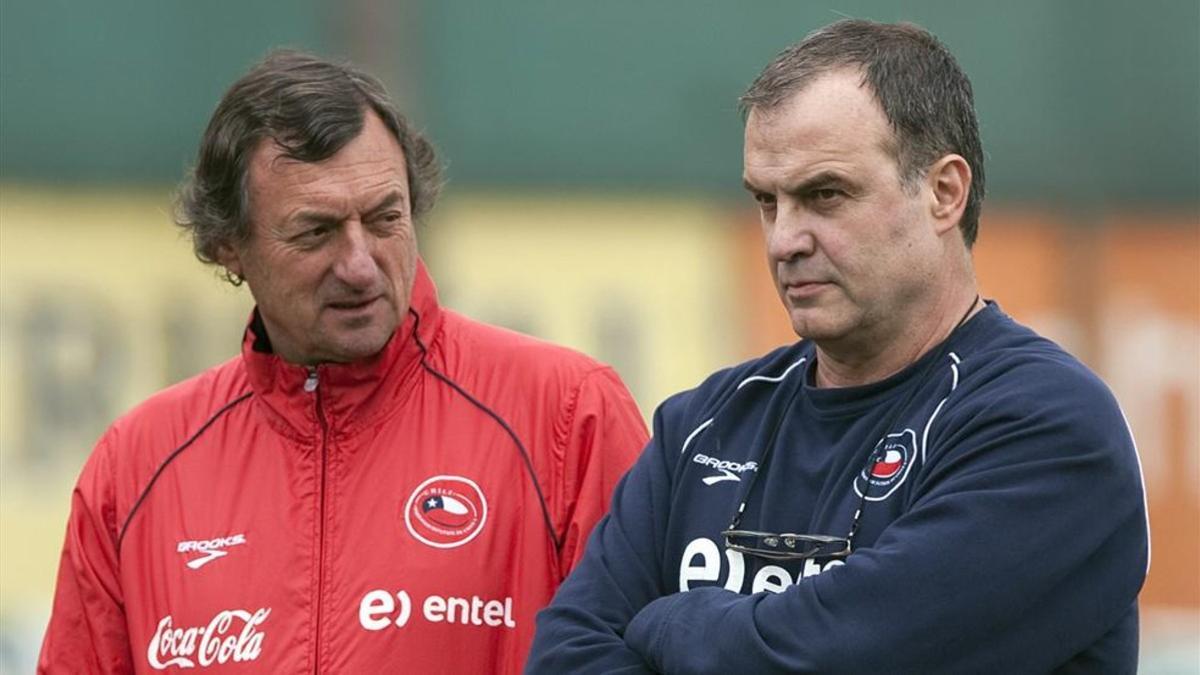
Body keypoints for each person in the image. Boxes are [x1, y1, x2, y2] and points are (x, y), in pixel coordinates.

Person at [527, 19, 1149, 674]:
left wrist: (677, 618)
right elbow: (566, 654)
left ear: (944, 193)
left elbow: (844, 658)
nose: (783, 240)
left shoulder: (1048, 426)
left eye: (825, 194)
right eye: (767, 201)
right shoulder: (703, 423)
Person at [38, 50, 649, 674]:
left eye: (385, 218)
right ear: (229, 245)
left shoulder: (568, 413)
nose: (359, 265)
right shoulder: (135, 467)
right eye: (315, 232)